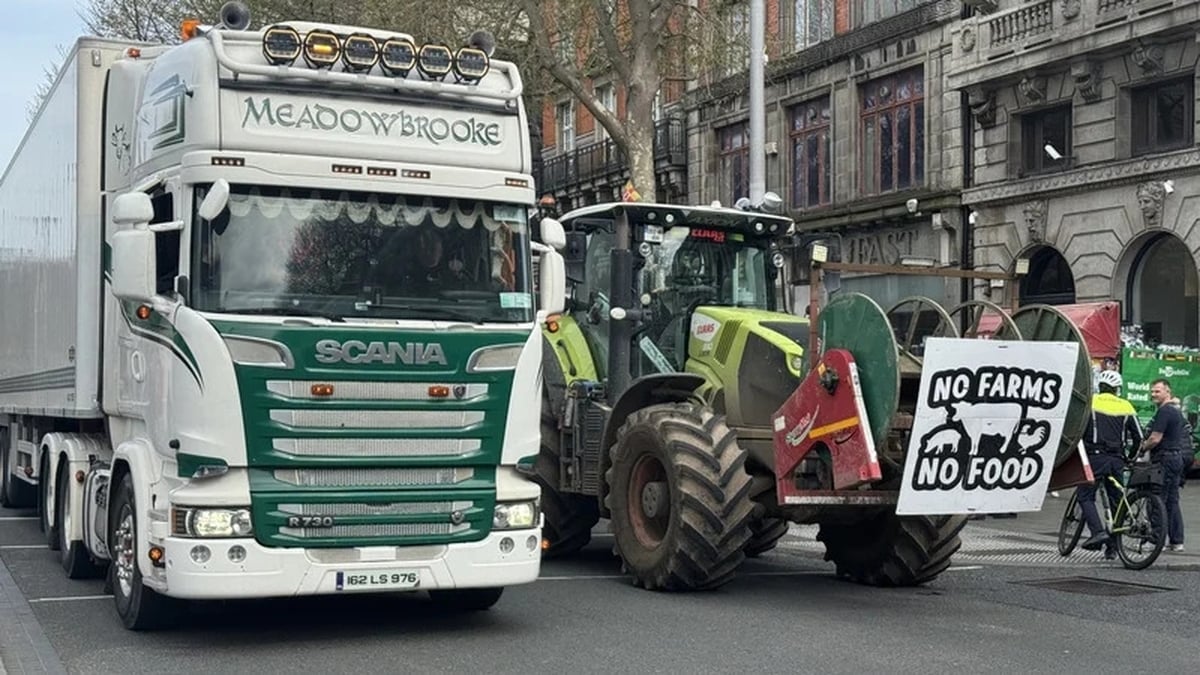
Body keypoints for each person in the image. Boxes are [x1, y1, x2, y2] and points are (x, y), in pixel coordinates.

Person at [1076, 370, 1144, 558]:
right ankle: (1113, 548)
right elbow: (1139, 438)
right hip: (1117, 460)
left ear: (1100, 386)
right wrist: (1130, 458)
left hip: (1095, 458)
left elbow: (1078, 428)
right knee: (1117, 502)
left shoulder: (1092, 402)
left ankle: (1098, 532)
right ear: (1117, 389)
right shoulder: (1126, 406)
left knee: (1085, 495)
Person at [1139, 378, 1188, 552]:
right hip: (1176, 458)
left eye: (1157, 391)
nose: (1153, 394)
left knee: (1156, 499)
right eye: (1152, 391)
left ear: (1168, 391)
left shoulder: (1165, 411)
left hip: (1164, 459)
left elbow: (1155, 438)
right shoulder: (1175, 411)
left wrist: (1142, 448)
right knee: (1172, 501)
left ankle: (1155, 540)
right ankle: (1176, 541)